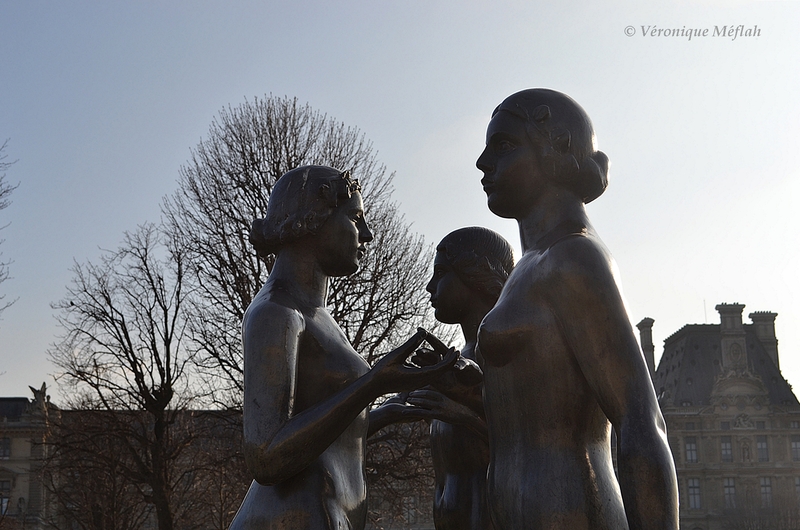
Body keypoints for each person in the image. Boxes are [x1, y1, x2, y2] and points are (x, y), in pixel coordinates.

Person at [475, 89, 678, 530]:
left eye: (503, 145)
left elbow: (642, 423)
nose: (482, 162)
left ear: (557, 149)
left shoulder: (572, 257)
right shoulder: (530, 267)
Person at [228, 165, 458, 530]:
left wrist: (389, 409)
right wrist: (373, 383)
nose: (366, 234)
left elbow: (327, 433)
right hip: (291, 518)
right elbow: (265, 457)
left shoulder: (319, 317)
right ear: (312, 220)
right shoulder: (276, 313)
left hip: (324, 514)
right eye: (355, 218)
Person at [403, 227, 513, 530]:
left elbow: (530, 448)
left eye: (441, 273)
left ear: (475, 272)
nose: (429, 286)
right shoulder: (461, 358)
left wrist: (460, 415)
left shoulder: (508, 354)